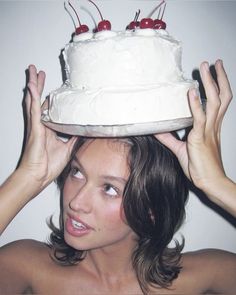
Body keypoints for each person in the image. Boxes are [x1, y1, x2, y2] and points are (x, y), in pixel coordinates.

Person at [0, 60, 235, 294]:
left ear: (151, 209)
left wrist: (217, 185)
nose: (75, 202)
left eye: (110, 188)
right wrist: (27, 178)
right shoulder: (27, 268)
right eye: (77, 172)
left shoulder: (205, 278)